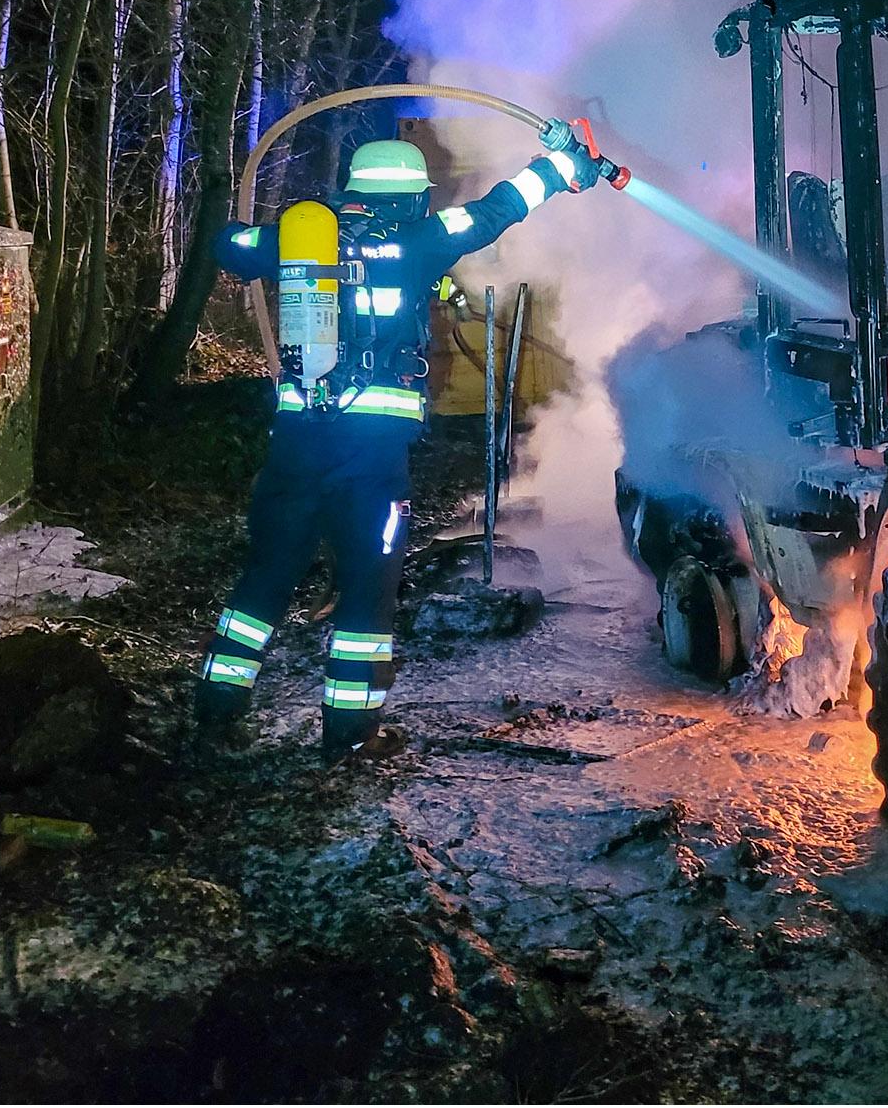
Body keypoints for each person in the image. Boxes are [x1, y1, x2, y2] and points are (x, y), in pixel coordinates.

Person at [193, 132, 603, 755]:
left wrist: (268, 234)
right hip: (371, 459)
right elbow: (496, 209)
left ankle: (216, 713)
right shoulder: (419, 239)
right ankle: (351, 737)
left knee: (265, 578)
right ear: (412, 196)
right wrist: (561, 167)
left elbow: (231, 245)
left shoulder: (306, 241)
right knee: (366, 588)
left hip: (296, 449)